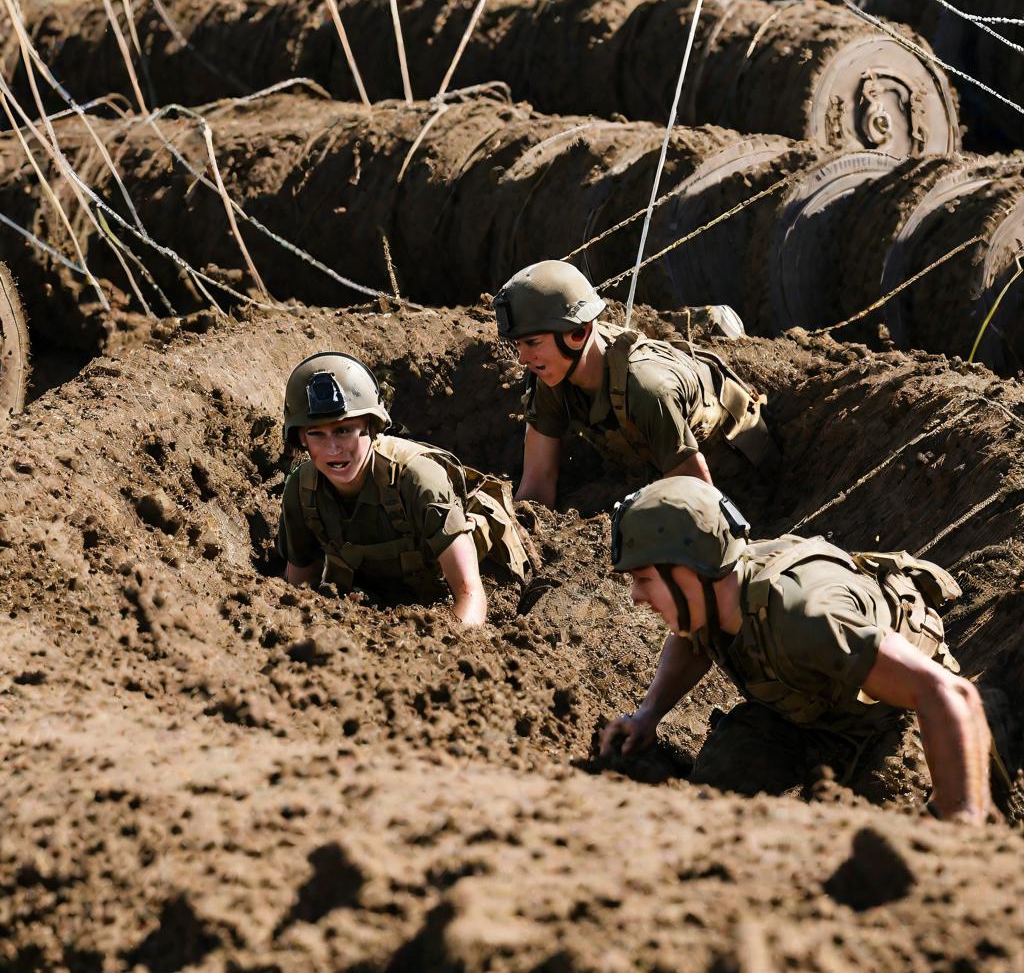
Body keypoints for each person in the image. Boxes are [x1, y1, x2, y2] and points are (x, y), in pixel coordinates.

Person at [599, 476, 994, 824]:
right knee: (716, 791)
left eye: (644, 578)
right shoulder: (715, 595)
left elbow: (947, 694)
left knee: (882, 829)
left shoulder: (806, 615)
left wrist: (959, 821)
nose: (635, 596)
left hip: (892, 721)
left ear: (690, 570)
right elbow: (692, 640)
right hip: (802, 712)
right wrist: (648, 714)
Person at [492, 259, 775, 508]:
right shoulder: (552, 376)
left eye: (532, 343)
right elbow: (538, 483)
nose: (522, 358)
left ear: (577, 333)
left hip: (735, 471)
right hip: (657, 465)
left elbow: (703, 504)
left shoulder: (646, 389)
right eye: (518, 344)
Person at [277, 352, 531, 625]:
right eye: (317, 434)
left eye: (344, 430)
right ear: (301, 438)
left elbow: (471, 596)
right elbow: (298, 591)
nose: (333, 449)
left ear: (371, 427)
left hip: (459, 587)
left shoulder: (417, 480)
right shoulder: (302, 490)